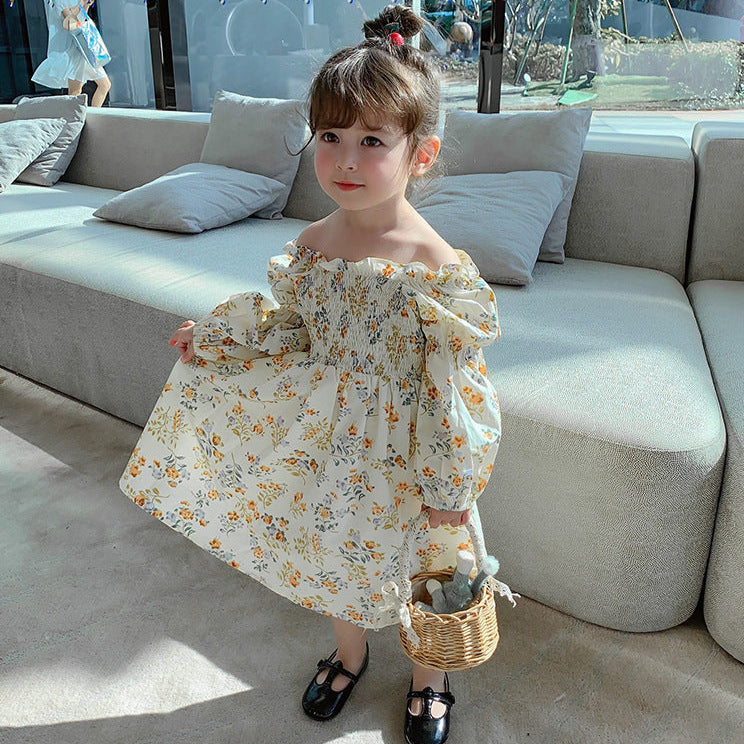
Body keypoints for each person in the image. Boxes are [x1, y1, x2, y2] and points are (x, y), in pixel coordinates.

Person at [119, 6, 501, 743]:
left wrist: (448, 490)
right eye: (329, 137)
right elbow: (292, 329)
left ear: (420, 154)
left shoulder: (433, 268)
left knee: (428, 570)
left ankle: (431, 677)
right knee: (334, 551)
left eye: (371, 141)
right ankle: (349, 654)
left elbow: (454, 392)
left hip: (412, 456)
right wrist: (218, 336)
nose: (345, 161)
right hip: (332, 443)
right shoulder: (315, 244)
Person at [32, 0, 111, 107]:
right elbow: (69, 24)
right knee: (76, 91)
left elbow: (80, 19)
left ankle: (92, 115)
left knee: (104, 85)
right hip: (72, 51)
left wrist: (86, 5)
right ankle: (76, 116)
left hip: (83, 49)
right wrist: (81, 3)